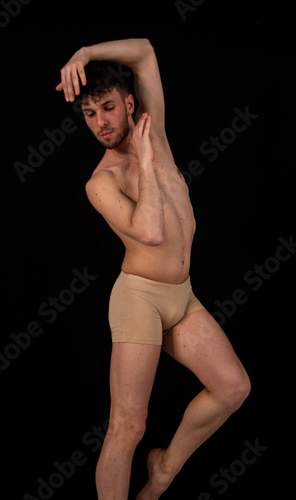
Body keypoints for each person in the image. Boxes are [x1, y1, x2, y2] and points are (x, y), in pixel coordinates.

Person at [56, 38, 251, 500]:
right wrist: (144, 161)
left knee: (232, 388)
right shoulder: (101, 182)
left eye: (106, 108)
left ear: (128, 103)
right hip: (139, 299)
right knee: (127, 425)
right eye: (89, 114)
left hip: (181, 297)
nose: (100, 123)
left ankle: (163, 471)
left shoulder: (153, 127)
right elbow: (151, 233)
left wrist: (83, 53)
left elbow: (143, 51)